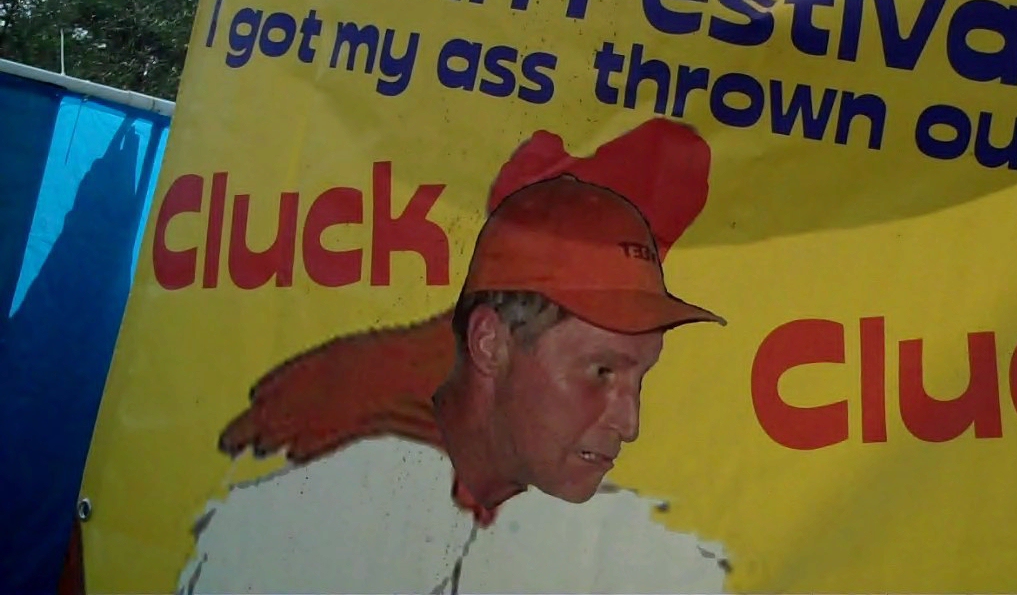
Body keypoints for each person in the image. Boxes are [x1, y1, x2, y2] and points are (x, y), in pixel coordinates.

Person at [176, 123, 734, 594]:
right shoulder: (318, 506)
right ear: (489, 344)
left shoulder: (602, 536)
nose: (630, 424)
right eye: (601, 372)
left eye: (640, 376)